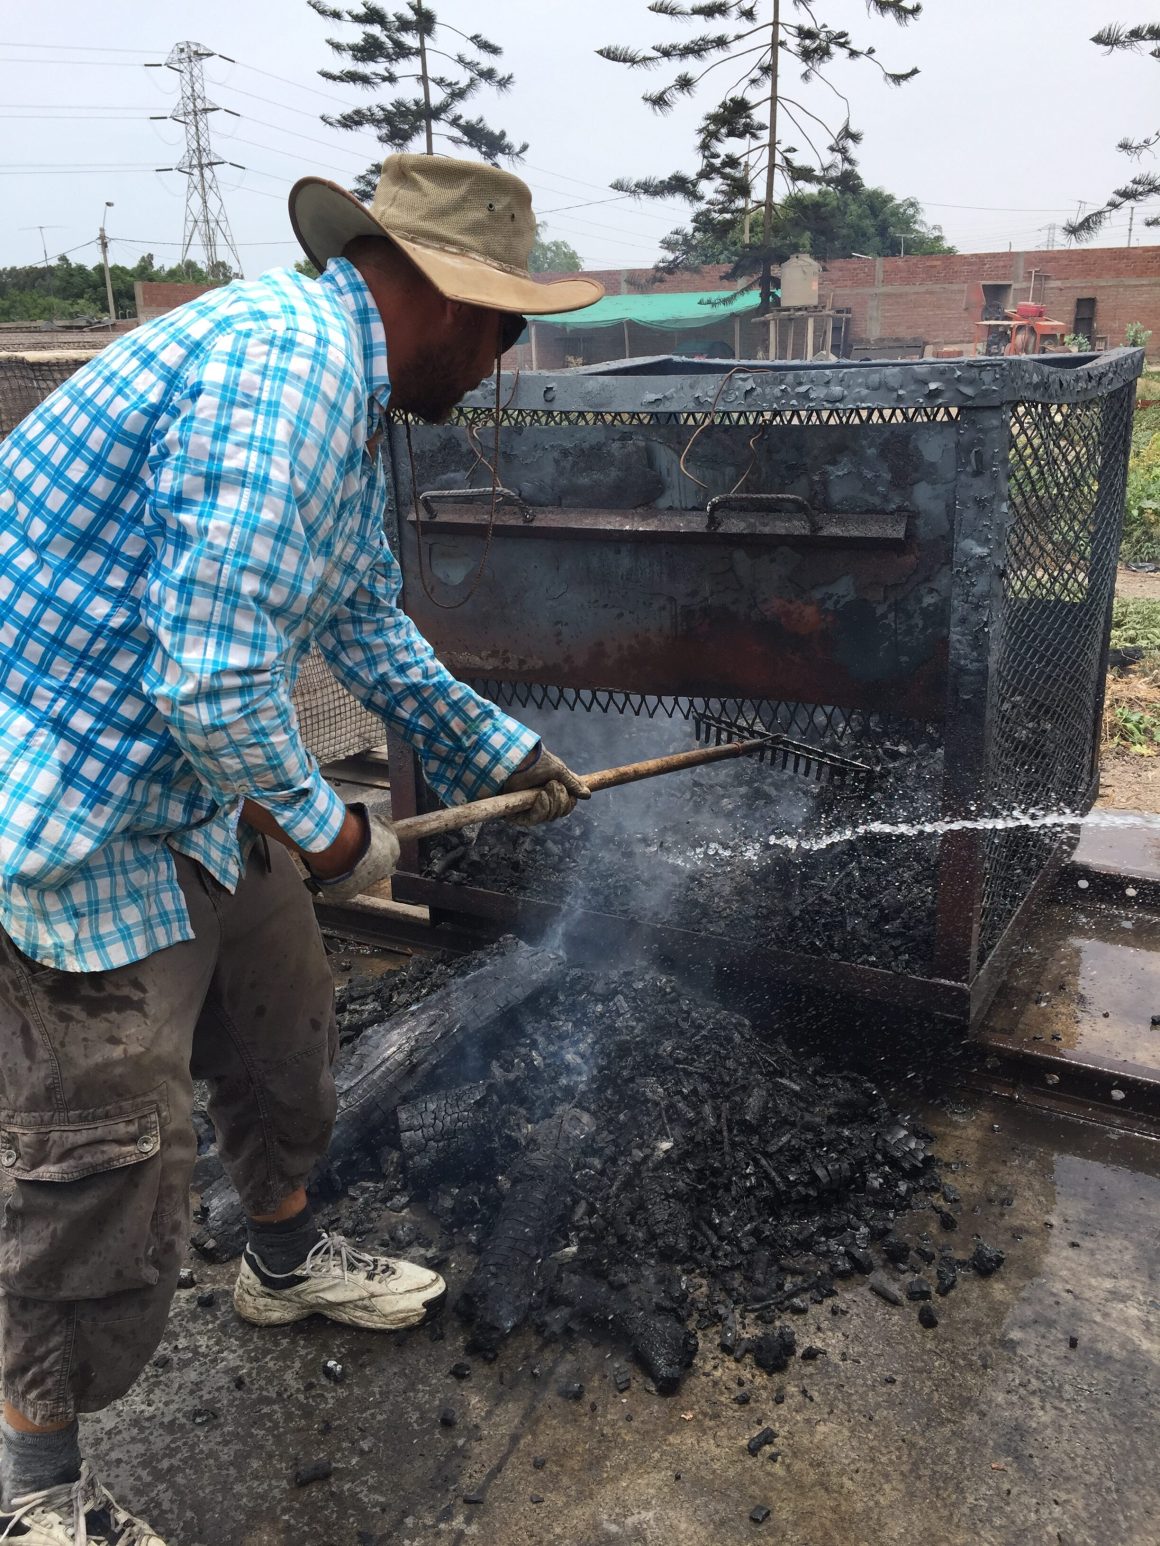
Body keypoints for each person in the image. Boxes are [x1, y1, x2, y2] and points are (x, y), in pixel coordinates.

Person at [0, 153, 602, 1543]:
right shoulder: (286, 376)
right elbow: (212, 681)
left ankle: (278, 1258)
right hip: (71, 805)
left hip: (196, 787)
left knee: (283, 1032)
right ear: (450, 300)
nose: (506, 363)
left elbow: (366, 620)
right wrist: (337, 837)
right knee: (98, 1153)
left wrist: (497, 746)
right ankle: (39, 1491)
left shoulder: (346, 386)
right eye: (508, 329)